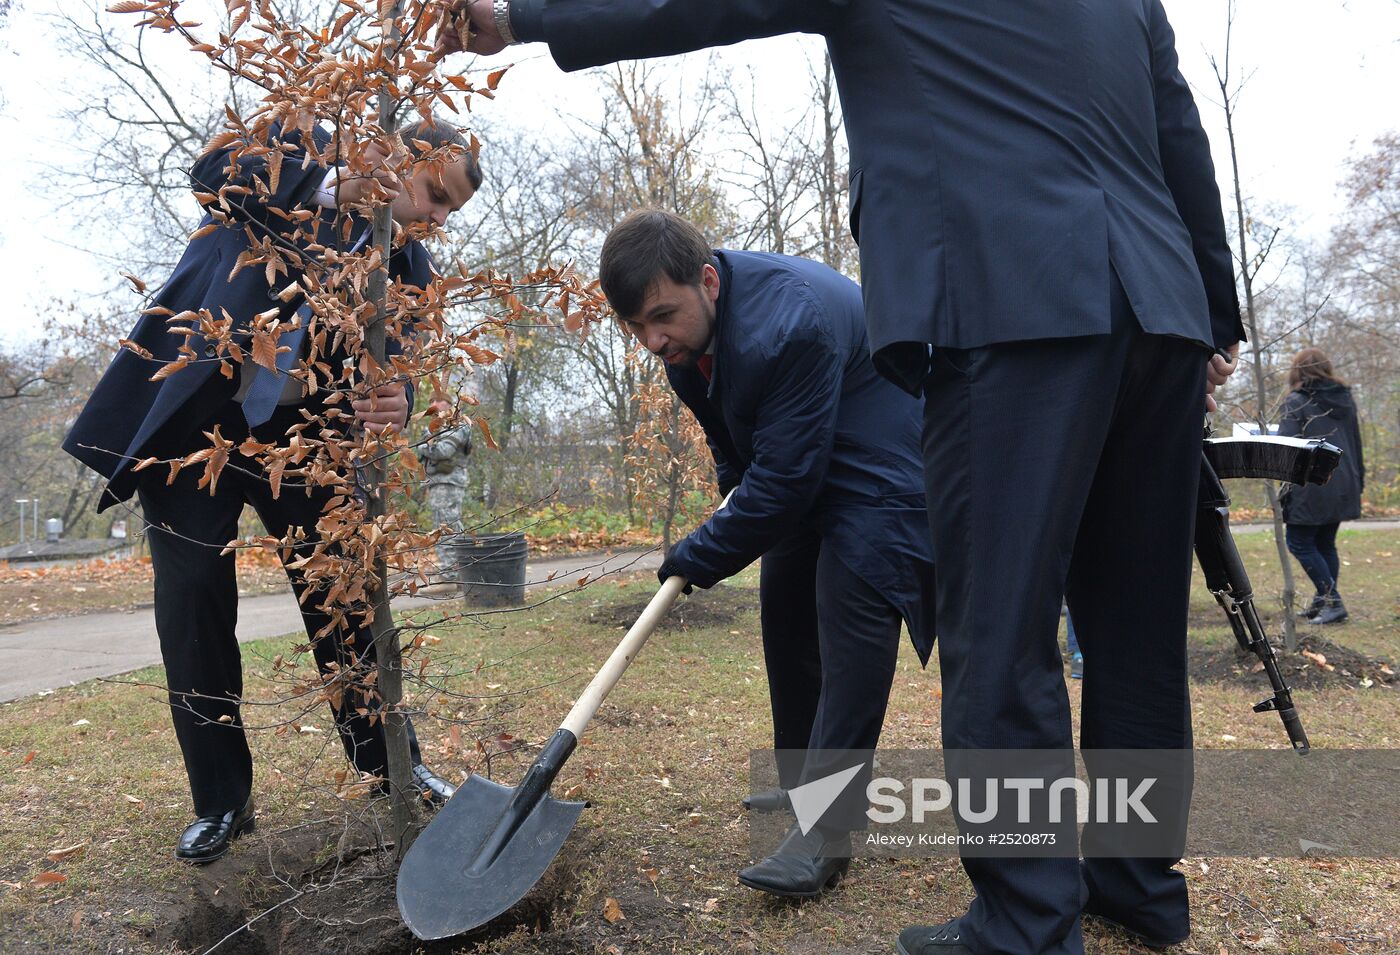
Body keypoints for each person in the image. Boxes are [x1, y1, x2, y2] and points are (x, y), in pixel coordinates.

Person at [438, 2, 1243, 952]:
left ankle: (1028, 921)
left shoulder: (785, 316)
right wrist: (1213, 306)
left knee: (996, 629)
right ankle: (1136, 885)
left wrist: (522, 17)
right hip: (1159, 310)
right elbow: (1176, 124)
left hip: (1009, 301)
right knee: (1134, 628)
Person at [63, 116, 481, 863]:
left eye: (452, 212)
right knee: (192, 602)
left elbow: (405, 358)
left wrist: (402, 397)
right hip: (197, 423)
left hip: (308, 441)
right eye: (436, 195)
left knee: (347, 595)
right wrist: (331, 185)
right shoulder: (302, 142)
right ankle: (222, 800)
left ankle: (393, 764)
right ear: (397, 158)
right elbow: (210, 171)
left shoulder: (408, 267)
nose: (439, 220)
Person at [603, 210, 936, 899]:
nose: (651, 339)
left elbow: (783, 484)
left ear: (708, 281)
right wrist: (731, 496)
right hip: (812, 460)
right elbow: (738, 450)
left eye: (661, 316)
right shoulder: (684, 349)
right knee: (785, 610)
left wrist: (698, 553)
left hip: (885, 464)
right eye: (635, 327)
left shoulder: (790, 323)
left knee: (851, 613)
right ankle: (800, 788)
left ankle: (826, 833)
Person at [1278, 348, 1365, 626]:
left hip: (1312, 484)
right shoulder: (1345, 399)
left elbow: (1287, 445)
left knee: (1299, 542)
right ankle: (1322, 601)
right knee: (1325, 543)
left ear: (1298, 372)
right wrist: (1359, 480)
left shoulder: (1297, 401)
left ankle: (1333, 602)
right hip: (1344, 480)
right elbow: (1356, 443)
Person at [422, 395, 475, 582]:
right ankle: (455, 573)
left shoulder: (457, 426)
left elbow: (443, 452)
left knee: (447, 527)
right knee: (444, 526)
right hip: (439, 483)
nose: (433, 405)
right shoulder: (438, 428)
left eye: (437, 400)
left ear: (449, 404)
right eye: (430, 402)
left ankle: (453, 575)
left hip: (449, 483)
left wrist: (423, 445)